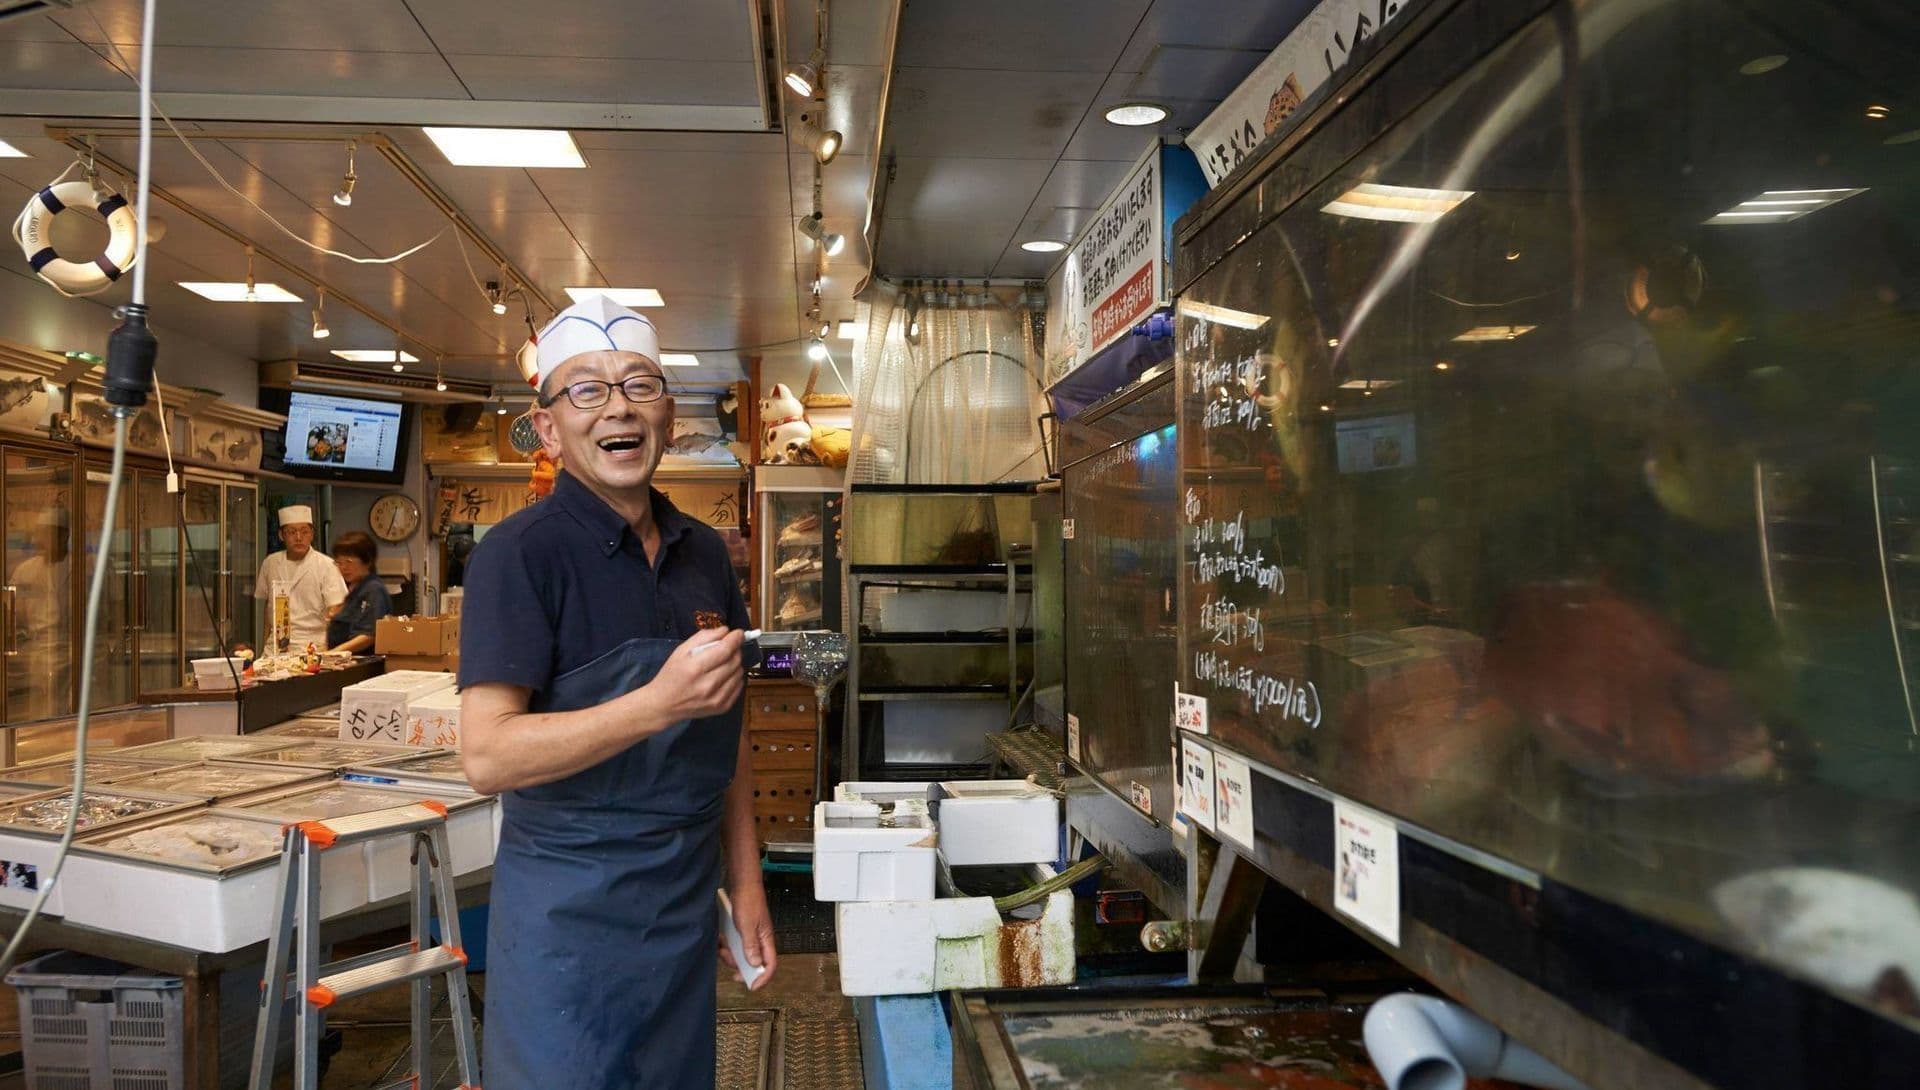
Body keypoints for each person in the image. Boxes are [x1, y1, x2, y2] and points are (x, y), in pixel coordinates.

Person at [458, 295, 775, 1089]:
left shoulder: (704, 552)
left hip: (680, 907)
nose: (618, 408)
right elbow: (487, 754)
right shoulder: (518, 556)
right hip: (568, 919)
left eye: (639, 384)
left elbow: (727, 735)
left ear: (667, 413)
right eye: (587, 390)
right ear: (549, 427)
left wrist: (746, 883)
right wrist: (657, 703)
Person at [253, 504, 346, 653]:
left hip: (312, 646)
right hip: (275, 647)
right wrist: (263, 647)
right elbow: (267, 609)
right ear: (281, 535)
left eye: (304, 532)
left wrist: (329, 651)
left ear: (312, 534)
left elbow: (336, 609)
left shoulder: (326, 565)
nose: (298, 538)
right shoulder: (270, 563)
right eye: (291, 532)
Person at [8, 505, 71, 719]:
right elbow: (16, 615)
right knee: (41, 712)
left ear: (64, 536)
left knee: (67, 710)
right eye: (41, 533)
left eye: (48, 534)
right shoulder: (25, 571)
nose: (40, 540)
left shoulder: (81, 566)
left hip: (72, 651)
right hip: (39, 652)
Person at [326, 531, 391, 653]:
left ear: (367, 561)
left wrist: (333, 653)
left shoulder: (374, 589)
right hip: (344, 661)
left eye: (349, 562)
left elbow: (369, 635)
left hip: (363, 664)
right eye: (339, 563)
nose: (343, 568)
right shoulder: (354, 590)